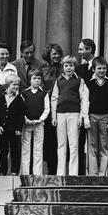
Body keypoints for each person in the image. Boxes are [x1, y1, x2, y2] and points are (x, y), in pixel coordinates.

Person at [50, 55, 90, 176]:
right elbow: (54, 98)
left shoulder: (79, 80)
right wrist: (53, 116)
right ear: (62, 67)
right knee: (61, 144)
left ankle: (73, 173)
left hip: (74, 114)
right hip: (61, 114)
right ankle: (60, 172)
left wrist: (82, 116)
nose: (68, 68)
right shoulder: (59, 81)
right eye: (66, 65)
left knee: (73, 145)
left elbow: (84, 99)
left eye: (71, 65)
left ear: (74, 67)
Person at [86, 57, 108, 176]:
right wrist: (85, 118)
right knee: (92, 146)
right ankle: (93, 174)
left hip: (105, 117)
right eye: (99, 68)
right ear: (94, 69)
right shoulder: (89, 84)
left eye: (104, 68)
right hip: (92, 116)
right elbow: (85, 102)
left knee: (103, 145)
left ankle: (102, 173)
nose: (102, 70)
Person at [20, 69, 50, 175]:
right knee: (26, 148)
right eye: (34, 78)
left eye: (39, 78)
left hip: (39, 124)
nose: (37, 80)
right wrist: (25, 119)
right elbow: (21, 108)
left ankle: (37, 173)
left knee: (38, 148)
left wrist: (41, 119)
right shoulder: (24, 93)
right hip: (27, 124)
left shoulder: (43, 93)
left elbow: (47, 108)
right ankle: (25, 173)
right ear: (29, 80)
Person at [0, 74, 24, 176]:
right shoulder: (1, 98)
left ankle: (14, 170)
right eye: (14, 85)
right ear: (8, 85)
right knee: (3, 150)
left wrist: (19, 128)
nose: (16, 87)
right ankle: (2, 170)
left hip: (14, 129)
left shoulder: (19, 99)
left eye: (18, 85)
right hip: (3, 129)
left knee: (15, 150)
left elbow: (21, 115)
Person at [76, 38, 98, 175]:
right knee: (79, 142)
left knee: (94, 143)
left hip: (96, 109)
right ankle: (80, 173)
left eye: (81, 49)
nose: (79, 52)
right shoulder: (79, 68)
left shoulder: (100, 65)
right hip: (80, 110)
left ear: (89, 49)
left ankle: (95, 173)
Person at [41, 43, 63, 175]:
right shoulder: (43, 70)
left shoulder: (64, 68)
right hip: (47, 108)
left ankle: (59, 170)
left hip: (61, 107)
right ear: (48, 55)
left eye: (59, 53)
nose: (57, 56)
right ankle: (50, 170)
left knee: (59, 140)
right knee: (49, 140)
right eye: (54, 53)